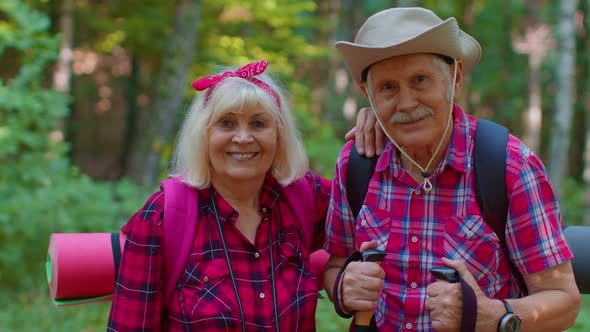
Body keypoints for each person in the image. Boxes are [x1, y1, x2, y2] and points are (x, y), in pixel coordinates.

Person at [323, 7, 581, 332]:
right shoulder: (356, 163)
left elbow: (564, 300)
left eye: (420, 80)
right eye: (388, 87)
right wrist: (343, 287)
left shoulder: (509, 165)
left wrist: (493, 316)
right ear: (367, 95)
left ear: (455, 77)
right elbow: (334, 264)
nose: (406, 103)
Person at [106, 60, 380, 331]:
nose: (243, 137)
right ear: (204, 134)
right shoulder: (163, 216)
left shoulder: (303, 195)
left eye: (259, 124)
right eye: (226, 123)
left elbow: (387, 211)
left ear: (279, 134)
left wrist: (384, 125)